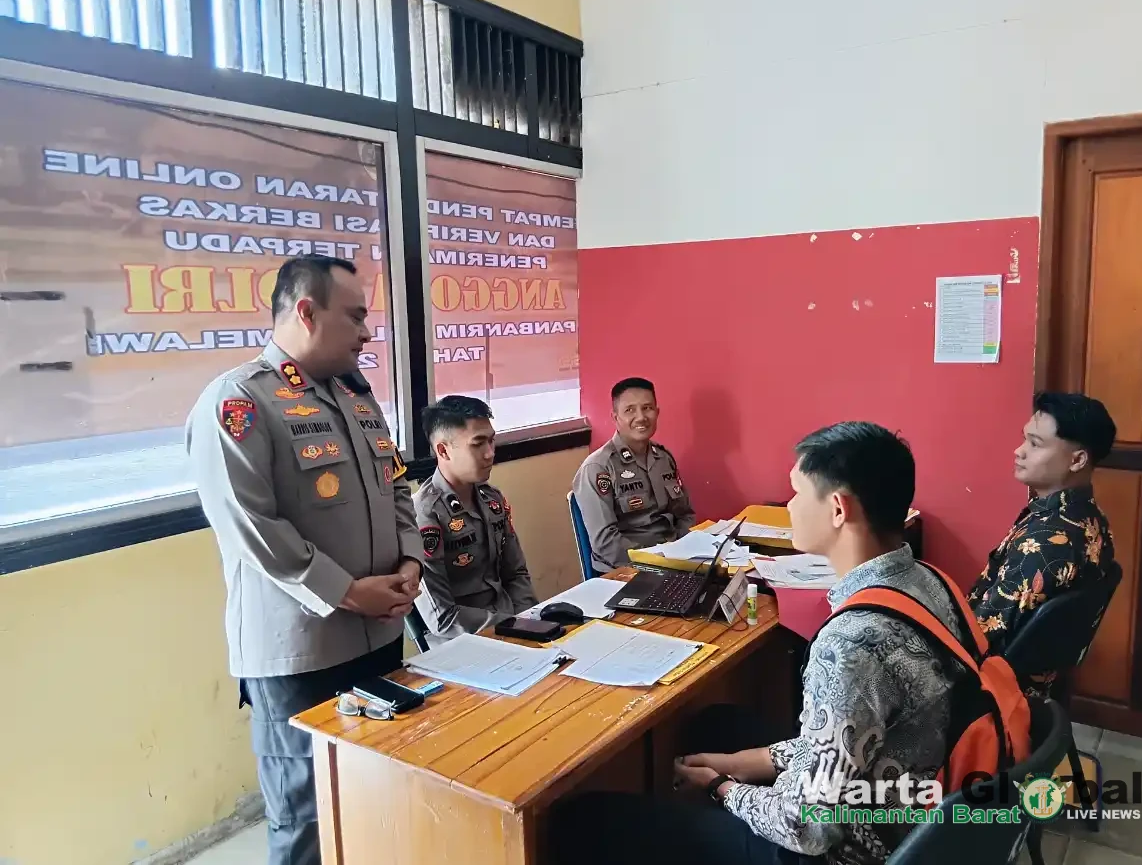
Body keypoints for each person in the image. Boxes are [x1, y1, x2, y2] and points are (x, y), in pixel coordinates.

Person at [551, 422, 970, 865]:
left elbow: (809, 828)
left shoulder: (851, 644)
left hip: (850, 847)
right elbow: (836, 742)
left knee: (583, 820)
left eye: (797, 493)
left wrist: (722, 787)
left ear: (838, 509)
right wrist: (736, 764)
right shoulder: (931, 582)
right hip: (908, 804)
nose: (789, 505)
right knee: (712, 724)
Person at [186, 254, 425, 865]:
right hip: (301, 651)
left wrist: (409, 562)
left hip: (379, 633)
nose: (367, 332)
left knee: (375, 792)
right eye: (355, 317)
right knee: (307, 815)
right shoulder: (240, 402)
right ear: (307, 312)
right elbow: (250, 523)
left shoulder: (356, 397)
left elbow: (397, 486)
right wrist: (347, 591)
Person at [968, 391, 1117, 697]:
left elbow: (980, 640)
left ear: (1077, 460)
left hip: (993, 690)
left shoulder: (1044, 544)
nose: (1019, 451)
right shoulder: (1091, 517)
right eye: (1024, 439)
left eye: (1035, 444)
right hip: (1037, 683)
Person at [412, 395, 538, 644]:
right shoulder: (425, 514)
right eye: (478, 444)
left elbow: (516, 574)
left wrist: (529, 620)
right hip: (462, 643)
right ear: (443, 451)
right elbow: (442, 618)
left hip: (512, 626)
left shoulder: (492, 499)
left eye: (491, 441)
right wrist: (511, 626)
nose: (490, 453)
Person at [572, 377, 696, 572]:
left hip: (673, 561)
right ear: (615, 418)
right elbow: (606, 543)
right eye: (630, 410)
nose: (641, 417)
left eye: (647, 408)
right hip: (627, 570)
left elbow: (685, 515)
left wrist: (687, 551)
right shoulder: (598, 468)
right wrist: (657, 562)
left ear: (657, 412)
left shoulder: (663, 458)